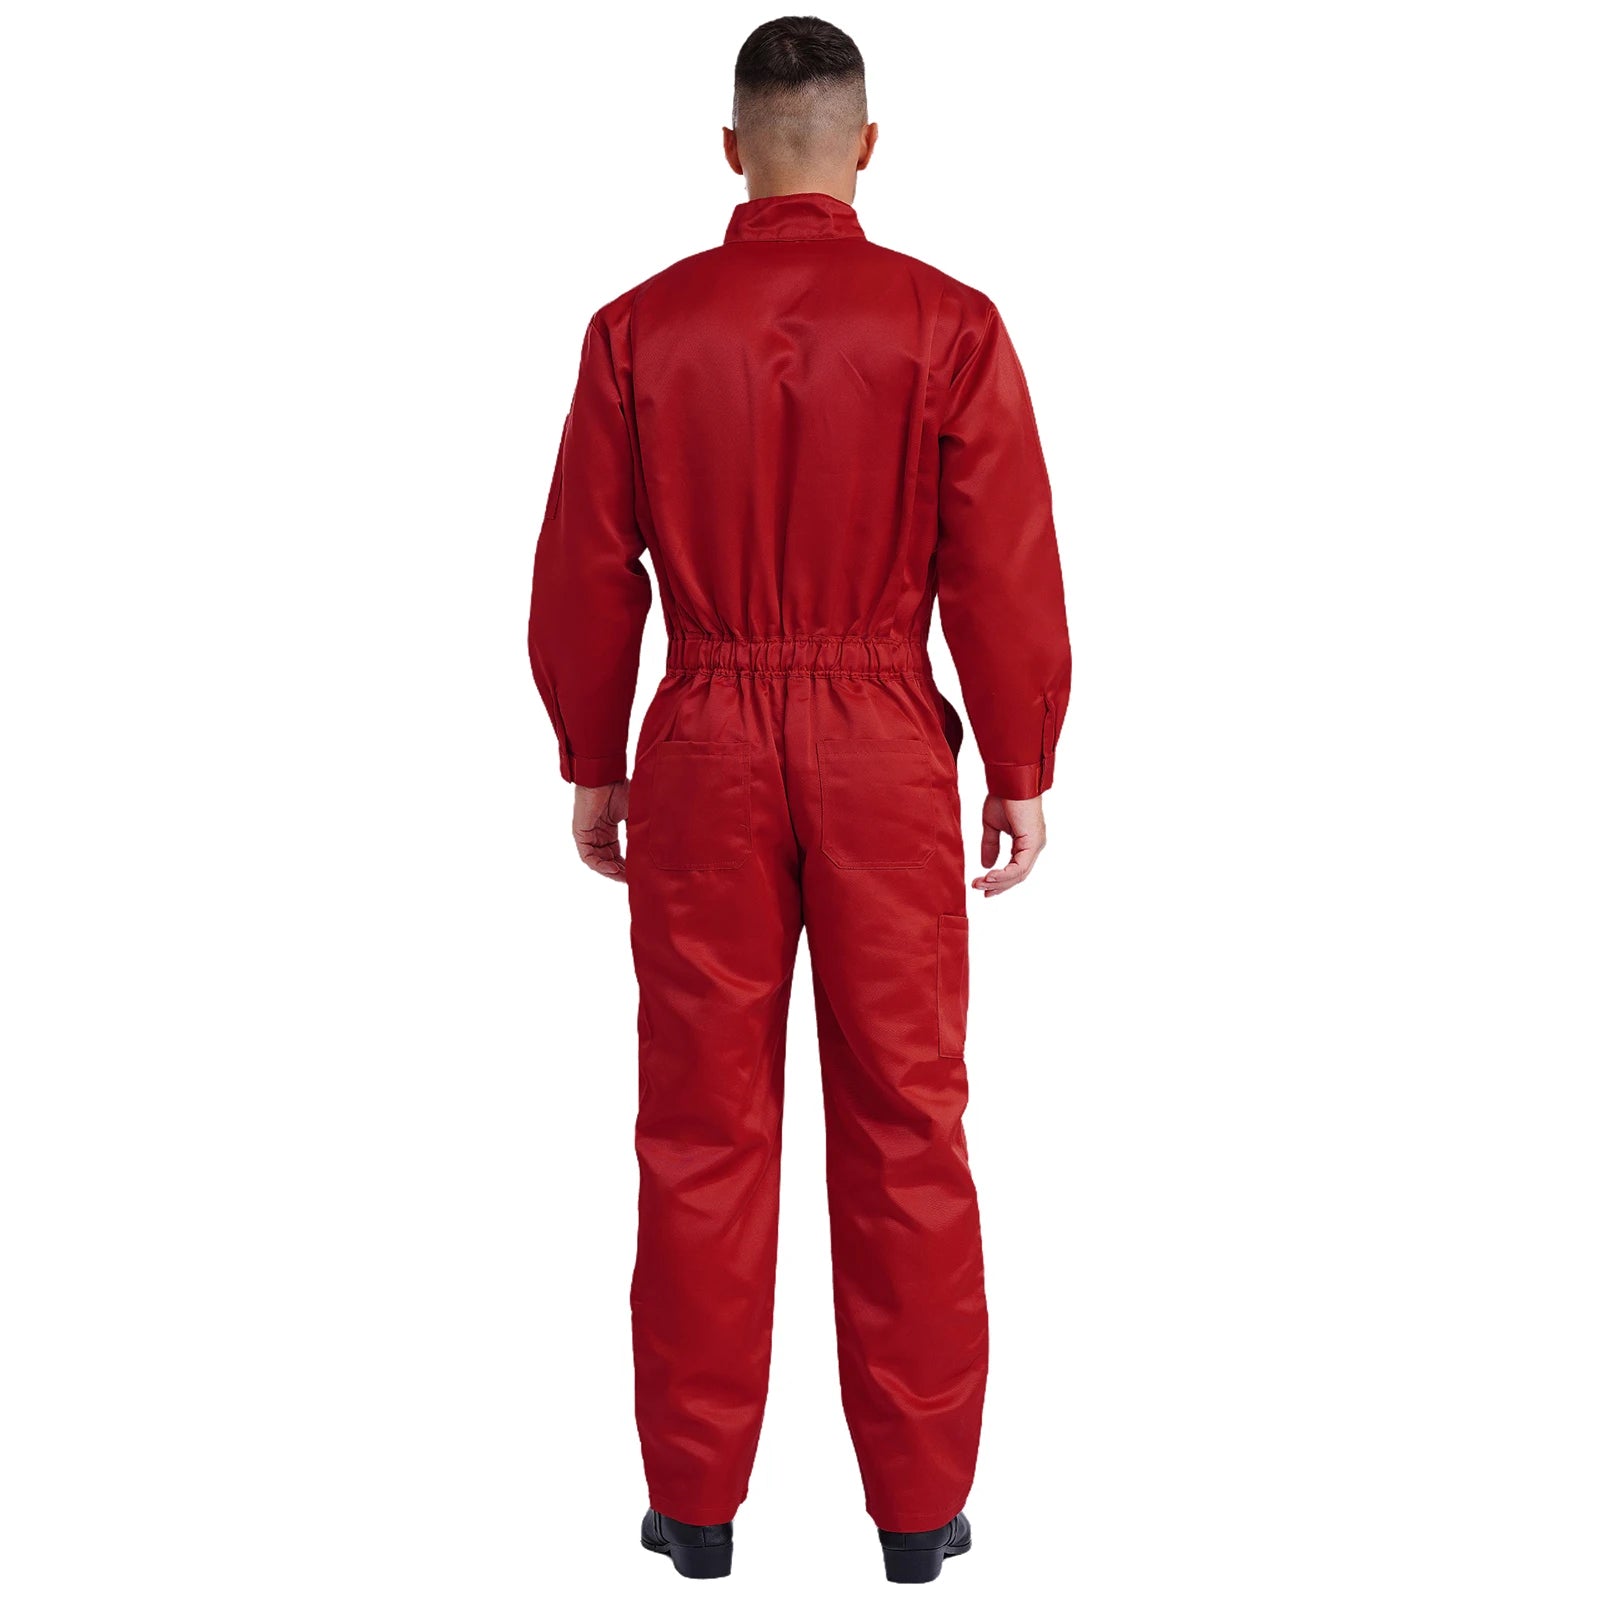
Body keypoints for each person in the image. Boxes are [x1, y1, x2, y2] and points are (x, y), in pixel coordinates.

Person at [528, 15, 1071, 1584]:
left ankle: (696, 1507)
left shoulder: (636, 331)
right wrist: (1021, 762)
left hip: (703, 738)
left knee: (702, 1128)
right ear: (867, 148)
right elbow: (1003, 562)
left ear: (730, 150)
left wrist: (595, 755)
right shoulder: (949, 324)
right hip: (883, 743)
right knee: (908, 1123)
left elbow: (583, 566)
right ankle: (917, 1515)